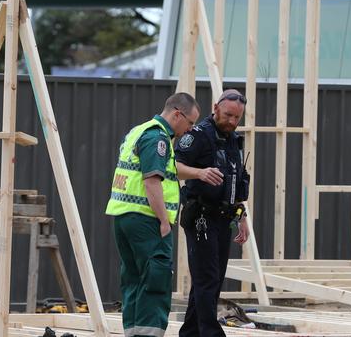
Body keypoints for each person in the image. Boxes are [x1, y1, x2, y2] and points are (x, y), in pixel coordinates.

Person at [105, 92, 200, 337]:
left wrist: (199, 173)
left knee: (134, 281)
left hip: (125, 217)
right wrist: (164, 221)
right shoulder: (157, 137)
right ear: (177, 114)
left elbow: (165, 167)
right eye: (190, 123)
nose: (189, 130)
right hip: (147, 220)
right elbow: (152, 181)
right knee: (155, 280)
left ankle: (134, 333)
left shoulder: (139, 131)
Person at [175, 89, 251, 337]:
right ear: (215, 107)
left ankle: (189, 332)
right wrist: (199, 173)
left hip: (224, 217)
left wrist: (242, 217)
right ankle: (211, 333)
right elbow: (172, 165)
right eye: (227, 115)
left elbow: (236, 181)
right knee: (207, 279)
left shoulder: (233, 139)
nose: (231, 121)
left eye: (236, 118)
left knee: (212, 280)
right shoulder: (198, 135)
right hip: (201, 216)